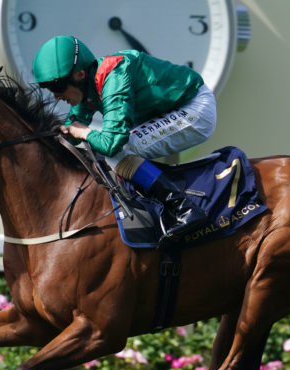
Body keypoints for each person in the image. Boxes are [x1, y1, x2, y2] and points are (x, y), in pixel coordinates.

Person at [32, 35, 217, 242]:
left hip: (195, 108)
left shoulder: (114, 77)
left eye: (58, 88)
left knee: (119, 151)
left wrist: (84, 132)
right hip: (170, 111)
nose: (56, 97)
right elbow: (70, 133)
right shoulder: (87, 88)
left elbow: (111, 144)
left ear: (80, 74)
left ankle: (184, 208)